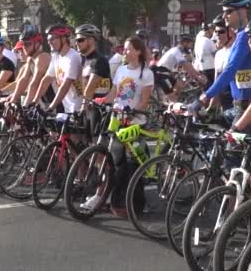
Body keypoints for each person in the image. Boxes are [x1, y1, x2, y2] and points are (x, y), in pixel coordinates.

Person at [93, 36, 155, 216]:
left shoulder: (146, 73)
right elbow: (114, 93)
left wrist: (133, 111)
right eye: (124, 50)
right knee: (116, 160)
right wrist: (102, 101)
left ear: (138, 51)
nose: (125, 52)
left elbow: (144, 101)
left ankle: (138, 204)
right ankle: (117, 199)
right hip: (117, 118)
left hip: (135, 122)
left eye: (128, 49)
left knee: (134, 163)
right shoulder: (120, 70)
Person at [194, 0, 251, 134]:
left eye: (228, 11)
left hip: (247, 106)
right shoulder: (241, 36)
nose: (224, 16)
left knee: (232, 149)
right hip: (239, 105)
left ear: (242, 11)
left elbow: (230, 70)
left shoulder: (244, 36)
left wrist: (205, 96)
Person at [31, 24, 83, 113]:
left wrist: (51, 107)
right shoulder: (56, 56)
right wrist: (34, 102)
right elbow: (46, 80)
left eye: (52, 39)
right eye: (48, 40)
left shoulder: (73, 57)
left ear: (63, 39)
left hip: (77, 109)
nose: (49, 42)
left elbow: (65, 85)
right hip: (67, 108)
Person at [75, 24, 112, 137]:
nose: (77, 43)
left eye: (80, 40)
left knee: (97, 146)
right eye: (76, 40)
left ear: (91, 40)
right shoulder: (84, 59)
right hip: (89, 107)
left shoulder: (99, 60)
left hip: (100, 110)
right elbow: (79, 82)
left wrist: (82, 107)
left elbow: (91, 87)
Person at [7, 25, 51, 106]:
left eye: (27, 44)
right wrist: (12, 100)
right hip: (45, 101)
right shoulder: (30, 59)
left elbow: (34, 83)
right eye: (22, 44)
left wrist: (26, 105)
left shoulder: (42, 57)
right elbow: (23, 80)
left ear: (37, 43)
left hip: (58, 103)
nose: (24, 47)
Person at [156, 34, 206, 100]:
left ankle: (167, 101)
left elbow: (188, 65)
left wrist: (198, 74)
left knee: (180, 85)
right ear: (185, 43)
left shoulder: (178, 51)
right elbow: (186, 67)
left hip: (167, 73)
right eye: (190, 44)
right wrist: (198, 77)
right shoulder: (176, 52)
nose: (190, 47)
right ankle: (170, 103)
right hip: (161, 74)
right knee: (173, 98)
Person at [194, 22, 216, 89]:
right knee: (213, 88)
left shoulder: (197, 42)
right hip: (211, 69)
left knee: (205, 88)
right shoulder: (208, 41)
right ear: (208, 31)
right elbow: (216, 55)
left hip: (201, 69)